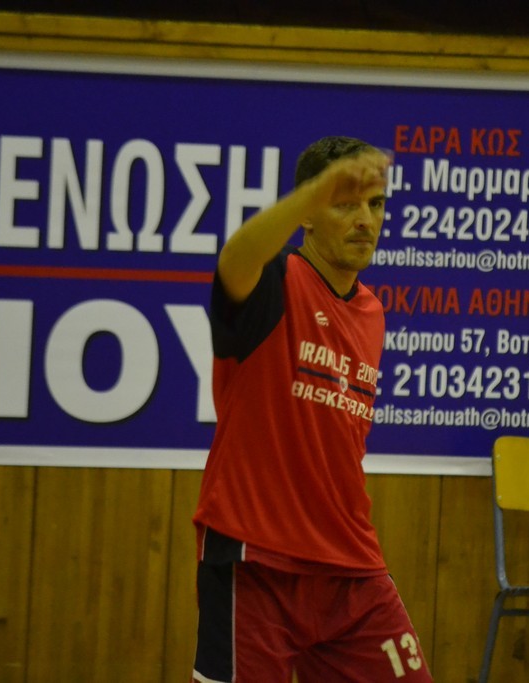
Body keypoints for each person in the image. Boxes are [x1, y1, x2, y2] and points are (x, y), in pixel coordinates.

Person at [192, 136, 433, 683]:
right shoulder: (274, 283)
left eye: (375, 204)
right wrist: (313, 192)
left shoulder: (372, 312)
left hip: (349, 568)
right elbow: (234, 260)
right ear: (307, 214)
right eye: (344, 204)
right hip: (256, 560)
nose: (365, 220)